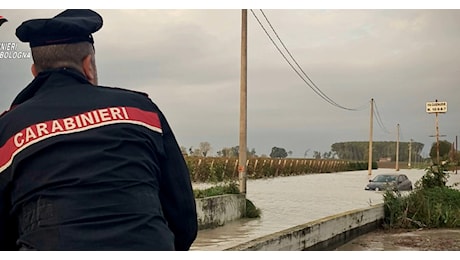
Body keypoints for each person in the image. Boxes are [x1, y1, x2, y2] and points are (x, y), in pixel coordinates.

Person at [0, 9, 198, 250]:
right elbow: (183, 217)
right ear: (88, 65)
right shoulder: (143, 111)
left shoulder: (8, 130)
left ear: (35, 72)